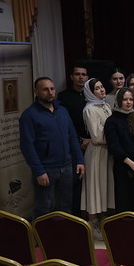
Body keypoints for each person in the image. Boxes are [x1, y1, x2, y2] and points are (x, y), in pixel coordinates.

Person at [19, 77, 85, 219]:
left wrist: (80, 160)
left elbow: (72, 137)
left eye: (52, 89)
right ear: (36, 92)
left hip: (67, 167)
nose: (50, 92)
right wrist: (39, 171)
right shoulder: (29, 115)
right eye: (45, 89)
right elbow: (27, 146)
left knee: (65, 207)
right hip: (46, 170)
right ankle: (40, 234)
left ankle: (63, 232)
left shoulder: (62, 110)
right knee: (44, 208)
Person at [104, 88, 134, 217]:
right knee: (124, 200)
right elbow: (114, 146)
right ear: (119, 101)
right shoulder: (112, 121)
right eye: (125, 99)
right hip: (123, 166)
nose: (128, 102)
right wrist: (131, 164)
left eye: (131, 99)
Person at [80, 78, 115, 238]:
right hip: (96, 153)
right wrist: (116, 137)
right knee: (94, 186)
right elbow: (96, 136)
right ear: (90, 92)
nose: (102, 90)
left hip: (107, 152)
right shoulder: (90, 109)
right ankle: (93, 221)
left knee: (104, 185)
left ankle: (102, 218)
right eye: (97, 88)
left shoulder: (105, 105)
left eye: (102, 87)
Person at [57, 65, 90, 217]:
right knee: (75, 182)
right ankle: (74, 216)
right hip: (73, 145)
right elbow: (64, 123)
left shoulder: (91, 95)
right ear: (71, 77)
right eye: (77, 74)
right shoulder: (64, 97)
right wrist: (78, 141)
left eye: (83, 74)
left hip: (93, 144)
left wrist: (91, 140)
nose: (81, 77)